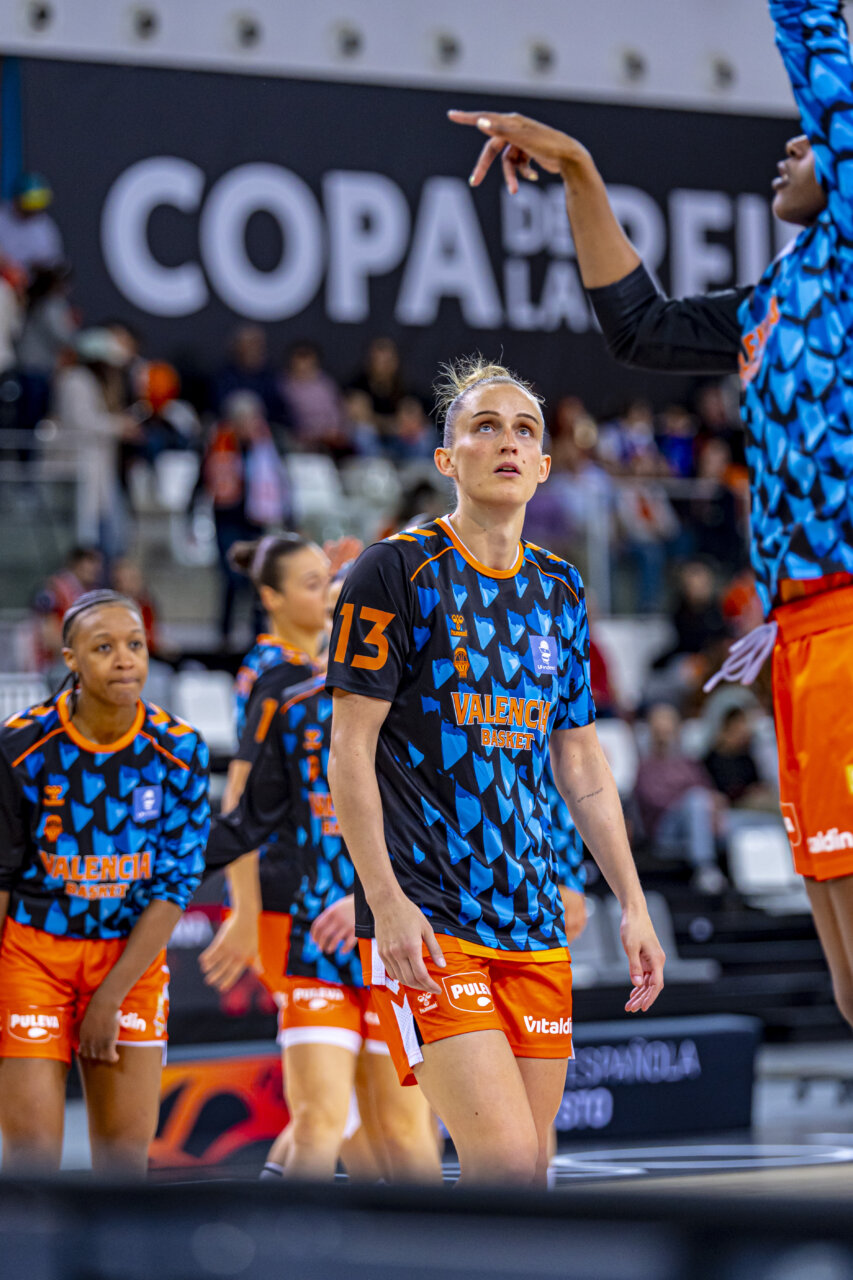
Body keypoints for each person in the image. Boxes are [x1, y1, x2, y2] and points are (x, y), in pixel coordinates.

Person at [325, 356, 665, 1187]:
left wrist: (630, 900)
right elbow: (349, 749)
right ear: (447, 459)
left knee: (530, 1176)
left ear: (545, 465)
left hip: (535, 917)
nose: (506, 443)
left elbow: (577, 755)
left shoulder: (560, 587)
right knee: (507, 1165)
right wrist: (385, 901)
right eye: (484, 427)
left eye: (524, 431)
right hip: (433, 922)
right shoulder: (393, 572)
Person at [0, 589, 209, 1173]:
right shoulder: (21, 746)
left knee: (122, 1170)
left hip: (130, 965)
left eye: (135, 645)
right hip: (33, 957)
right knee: (30, 1165)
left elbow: (175, 887)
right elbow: (0, 874)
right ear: (70, 660)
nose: (124, 659)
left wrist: (108, 998)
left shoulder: (179, 750)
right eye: (104, 647)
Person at [205, 668, 441, 1184]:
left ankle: (429, 1252)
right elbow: (250, 819)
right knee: (319, 1120)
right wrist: (168, 862)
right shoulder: (293, 709)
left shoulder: (425, 702)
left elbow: (445, 827)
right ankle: (286, 1257)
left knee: (402, 1126)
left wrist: (366, 897)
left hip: (394, 945)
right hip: (316, 946)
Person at [200, 534, 328, 1001]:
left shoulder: (278, 662)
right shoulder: (284, 677)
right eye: (313, 584)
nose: (328, 591)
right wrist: (246, 909)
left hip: (306, 884)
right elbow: (240, 792)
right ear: (272, 597)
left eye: (330, 580)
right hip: (286, 893)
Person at [633, 703, 727, 894]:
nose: (664, 736)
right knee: (696, 801)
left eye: (669, 730)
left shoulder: (688, 761)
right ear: (651, 732)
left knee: (744, 822)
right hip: (665, 829)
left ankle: (756, 883)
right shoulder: (646, 766)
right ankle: (705, 867)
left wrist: (713, 805)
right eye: (659, 731)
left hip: (700, 818)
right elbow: (655, 803)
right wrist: (693, 801)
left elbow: (709, 790)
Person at [31, 545, 103, 674]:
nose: (96, 568)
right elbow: (48, 638)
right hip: (55, 665)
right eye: (91, 562)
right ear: (76, 564)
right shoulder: (52, 591)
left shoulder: (88, 592)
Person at [0, 173, 63, 277]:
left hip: (30, 285)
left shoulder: (45, 228)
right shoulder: (2, 217)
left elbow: (51, 261)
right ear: (17, 200)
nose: (32, 211)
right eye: (29, 204)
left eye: (37, 205)